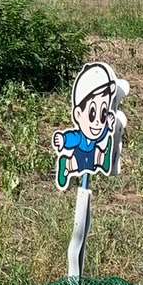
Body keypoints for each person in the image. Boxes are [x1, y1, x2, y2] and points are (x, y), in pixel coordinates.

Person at [52, 62, 119, 191]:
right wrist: (63, 140)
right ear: (78, 114)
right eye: (92, 114)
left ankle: (103, 158)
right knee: (76, 164)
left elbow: (101, 135)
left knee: (94, 160)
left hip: (92, 152)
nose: (98, 122)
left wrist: (108, 127)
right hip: (80, 153)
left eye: (103, 113)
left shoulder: (97, 132)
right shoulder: (80, 136)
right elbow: (72, 137)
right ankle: (65, 164)